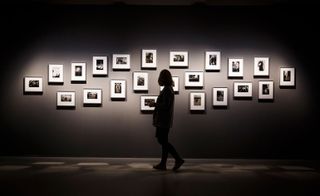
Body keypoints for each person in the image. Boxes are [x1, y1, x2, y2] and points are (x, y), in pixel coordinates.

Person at [149, 69, 184, 171]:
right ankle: (163, 164)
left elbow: (165, 106)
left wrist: (154, 104)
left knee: (162, 141)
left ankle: (178, 159)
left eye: (160, 77)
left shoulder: (168, 90)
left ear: (163, 78)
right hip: (163, 120)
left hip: (163, 121)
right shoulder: (167, 89)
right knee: (163, 141)